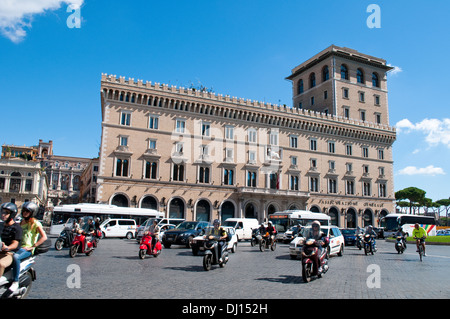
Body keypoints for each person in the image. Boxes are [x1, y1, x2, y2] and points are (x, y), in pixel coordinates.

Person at [9, 202, 47, 293]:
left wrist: (33, 247)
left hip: (26, 249)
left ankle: (15, 281)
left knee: (16, 257)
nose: (25, 213)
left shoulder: (35, 223)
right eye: (24, 211)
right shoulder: (21, 222)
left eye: (27, 211)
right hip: (18, 247)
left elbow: (44, 237)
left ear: (32, 213)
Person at [0, 203, 22, 280]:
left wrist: (7, 248)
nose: (3, 214)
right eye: (2, 212)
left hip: (9, 253)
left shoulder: (17, 228)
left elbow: (15, 244)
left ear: (12, 215)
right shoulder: (0, 225)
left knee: (1, 264)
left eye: (6, 213)